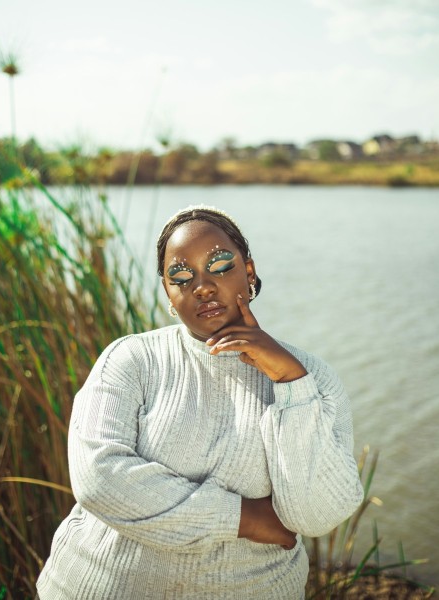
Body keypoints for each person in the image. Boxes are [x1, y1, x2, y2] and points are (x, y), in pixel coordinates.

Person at [36, 205, 363, 599]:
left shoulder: (310, 376)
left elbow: (318, 514)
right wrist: (242, 518)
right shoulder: (131, 358)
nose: (202, 286)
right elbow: (98, 479)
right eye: (181, 276)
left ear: (250, 271)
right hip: (96, 585)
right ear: (168, 294)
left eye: (220, 265)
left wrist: (290, 384)